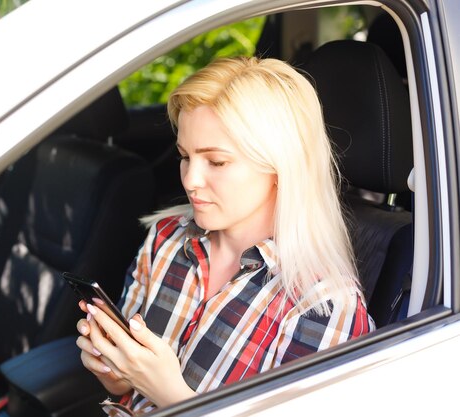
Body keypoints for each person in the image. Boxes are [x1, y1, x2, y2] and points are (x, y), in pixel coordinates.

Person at [75, 56, 375, 416]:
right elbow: (126, 392)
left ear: (279, 166)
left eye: (216, 161)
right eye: (185, 156)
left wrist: (172, 395)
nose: (190, 180)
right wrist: (116, 371)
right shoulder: (166, 240)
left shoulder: (324, 307)